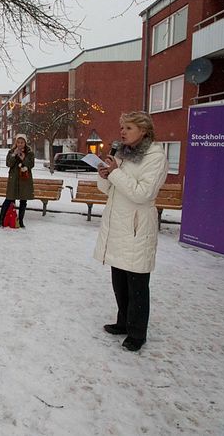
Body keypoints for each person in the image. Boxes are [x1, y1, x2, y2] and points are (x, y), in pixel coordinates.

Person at [94, 111, 169, 352]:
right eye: (122, 127)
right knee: (120, 281)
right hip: (118, 226)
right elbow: (110, 190)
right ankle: (123, 322)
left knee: (137, 284)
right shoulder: (124, 155)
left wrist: (115, 173)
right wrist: (105, 175)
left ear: (144, 131)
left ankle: (137, 333)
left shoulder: (155, 157)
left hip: (137, 227)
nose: (123, 132)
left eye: (128, 128)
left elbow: (142, 193)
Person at [0, 134, 34, 228]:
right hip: (13, 179)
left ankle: (21, 221)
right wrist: (14, 155)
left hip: (24, 179)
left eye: (22, 142)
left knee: (23, 201)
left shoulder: (30, 153)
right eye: (18, 142)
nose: (20, 144)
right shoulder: (11, 152)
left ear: (25, 143)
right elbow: (8, 164)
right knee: (9, 199)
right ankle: (1, 220)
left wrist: (24, 159)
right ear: (16, 143)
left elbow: (31, 165)